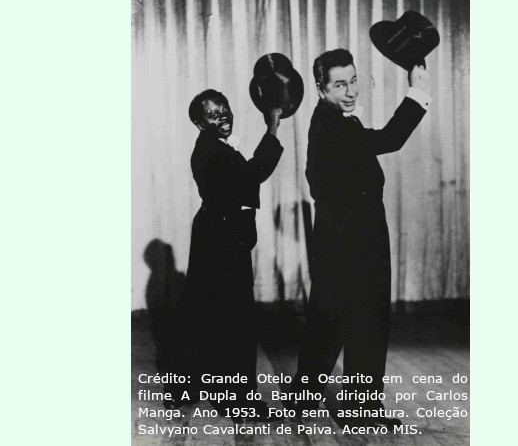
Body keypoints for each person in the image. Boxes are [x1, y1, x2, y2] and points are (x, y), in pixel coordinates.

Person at [289, 49, 432, 428]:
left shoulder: (334, 119)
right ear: (321, 88)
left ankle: (315, 401)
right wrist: (417, 91)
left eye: (353, 81)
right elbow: (390, 139)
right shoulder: (332, 126)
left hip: (348, 232)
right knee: (358, 318)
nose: (351, 91)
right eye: (340, 85)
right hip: (350, 235)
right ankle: (352, 408)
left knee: (335, 318)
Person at [167, 89, 283, 420]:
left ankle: (187, 390)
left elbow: (244, 177)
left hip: (216, 235)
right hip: (223, 239)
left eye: (225, 109)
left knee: (206, 315)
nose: (223, 117)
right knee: (236, 321)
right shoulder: (213, 150)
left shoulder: (214, 147)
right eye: (213, 114)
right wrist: (272, 128)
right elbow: (253, 174)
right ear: (198, 122)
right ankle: (240, 402)